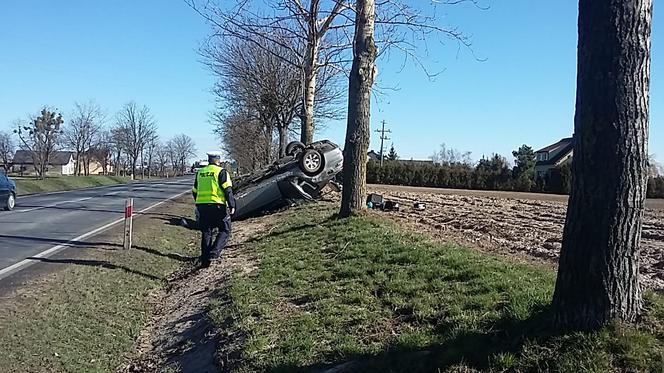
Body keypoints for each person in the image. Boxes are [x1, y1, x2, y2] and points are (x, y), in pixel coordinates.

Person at [192, 152, 236, 267]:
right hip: (217, 205)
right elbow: (228, 190)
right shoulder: (221, 172)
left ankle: (205, 260)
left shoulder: (200, 172)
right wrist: (232, 205)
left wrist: (199, 203)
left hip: (202, 206)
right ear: (218, 160)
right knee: (225, 229)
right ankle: (214, 253)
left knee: (206, 232)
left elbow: (194, 191)